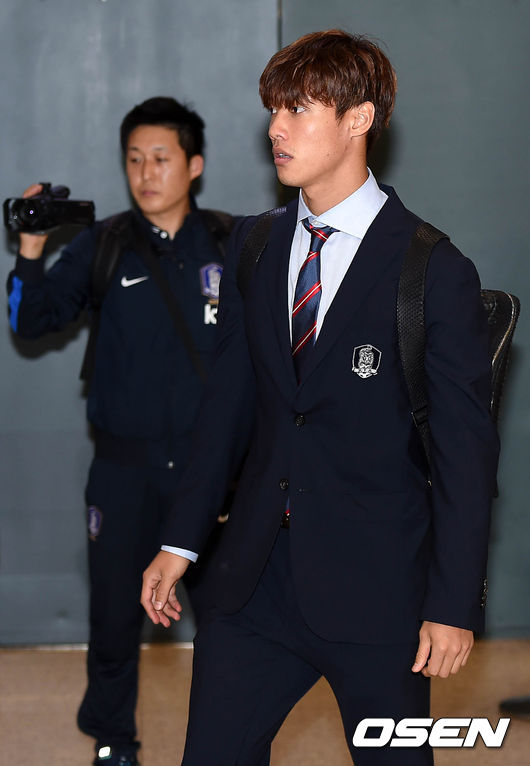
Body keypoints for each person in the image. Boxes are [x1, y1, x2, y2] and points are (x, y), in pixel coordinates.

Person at [141, 31, 500, 765]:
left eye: (298, 110)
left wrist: (452, 603)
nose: (275, 129)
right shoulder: (254, 246)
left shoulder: (433, 270)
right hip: (253, 585)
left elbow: (466, 456)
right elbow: (226, 409)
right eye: (273, 109)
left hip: (379, 592)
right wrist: (180, 541)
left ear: (359, 119)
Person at [7, 97, 234, 766]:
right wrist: (29, 246)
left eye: (161, 158)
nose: (146, 173)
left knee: (230, 624)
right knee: (113, 619)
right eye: (134, 159)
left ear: (194, 165)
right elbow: (30, 320)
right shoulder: (103, 245)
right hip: (123, 471)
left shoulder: (231, 244)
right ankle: (114, 742)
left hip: (210, 474)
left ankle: (228, 743)